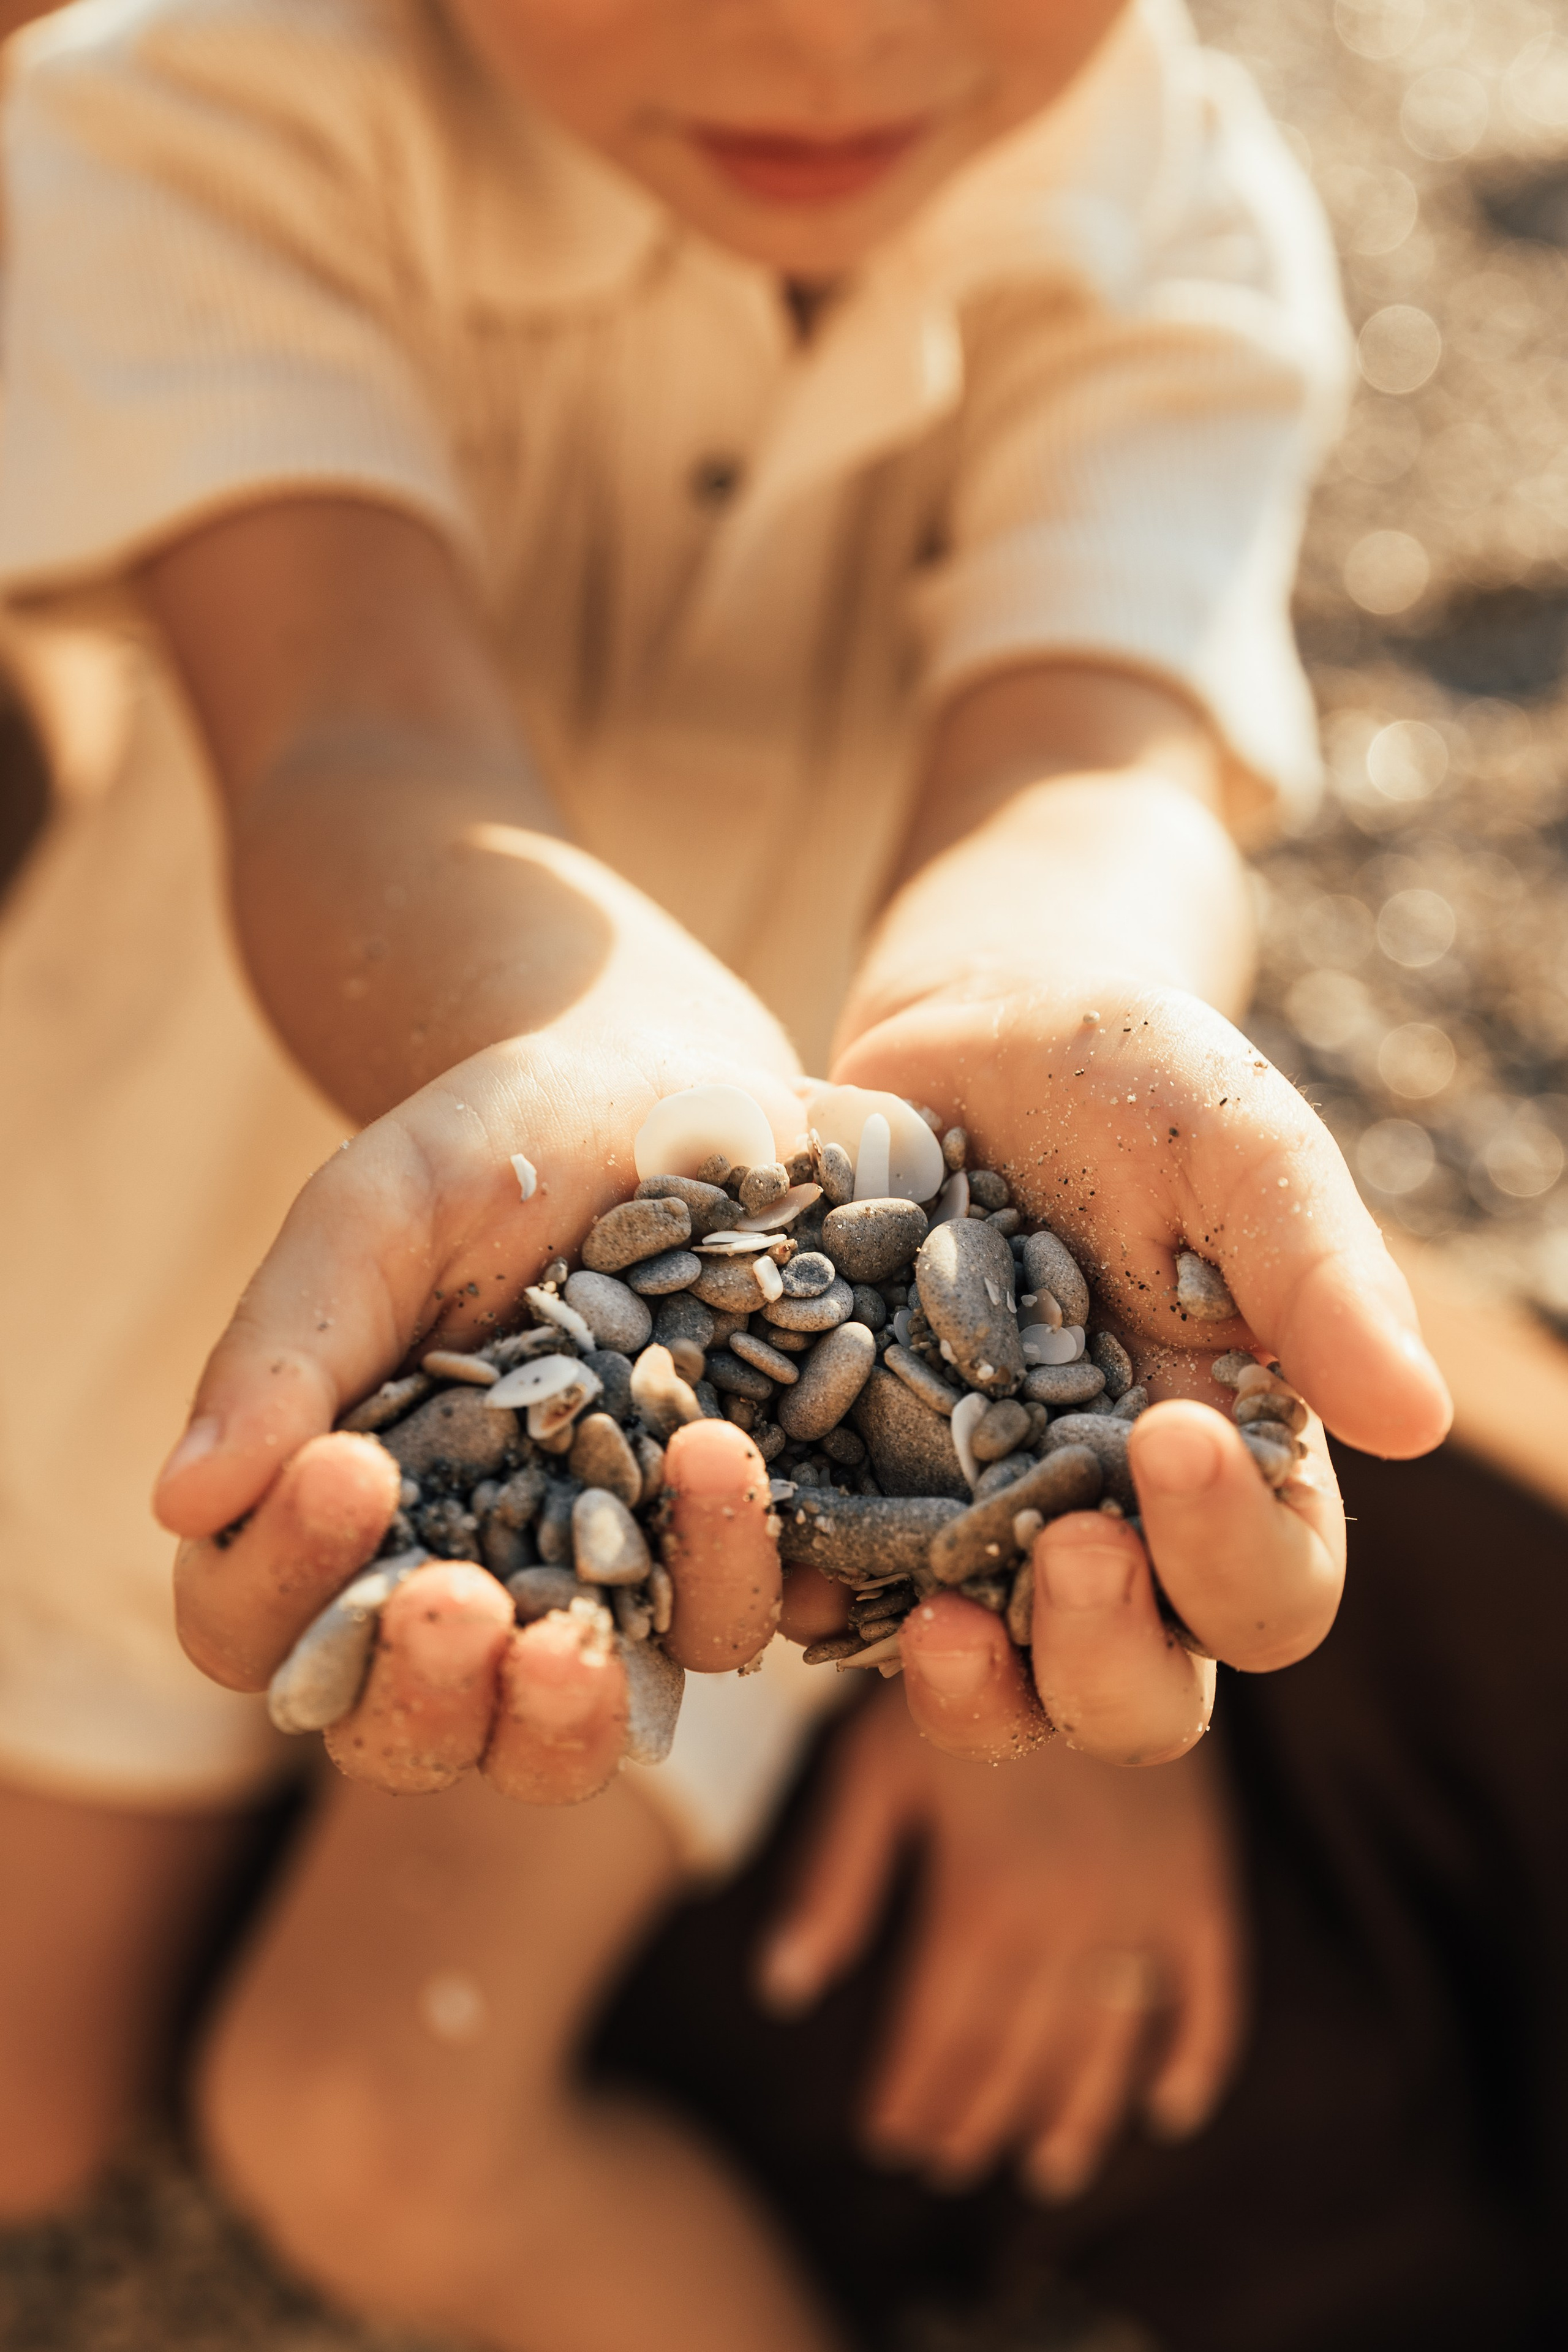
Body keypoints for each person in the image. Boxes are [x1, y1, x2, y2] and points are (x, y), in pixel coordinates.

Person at [0, 0, 1452, 2343]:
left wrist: (1042, 1044)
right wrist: (596, 1048)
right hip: (145, 1308)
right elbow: (349, 731)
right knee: (24, 2118)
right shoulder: (187, 106)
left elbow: (1088, 780)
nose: (830, 31)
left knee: (367, 2120)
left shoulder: (1168, 239)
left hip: (754, 1463)